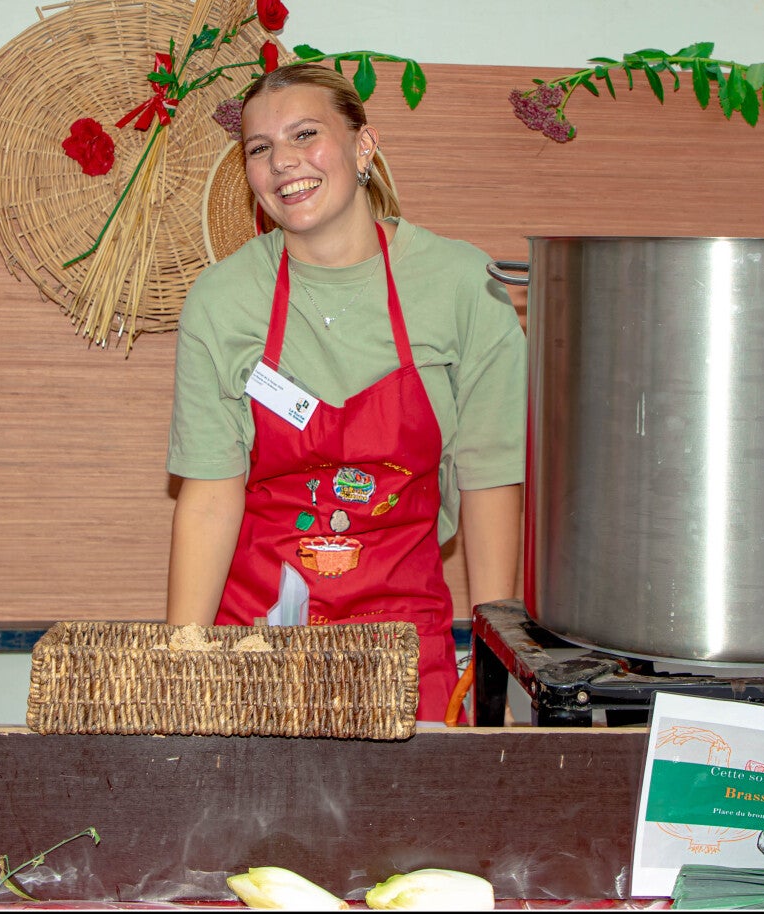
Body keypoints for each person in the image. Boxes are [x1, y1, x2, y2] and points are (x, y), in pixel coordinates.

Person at [166, 63, 526, 721]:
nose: (282, 162)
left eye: (305, 135)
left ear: (363, 146)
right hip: (254, 649)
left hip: (404, 649)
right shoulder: (223, 300)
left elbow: (490, 483)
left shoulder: (465, 286)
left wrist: (492, 671)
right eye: (259, 147)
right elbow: (210, 498)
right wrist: (180, 670)